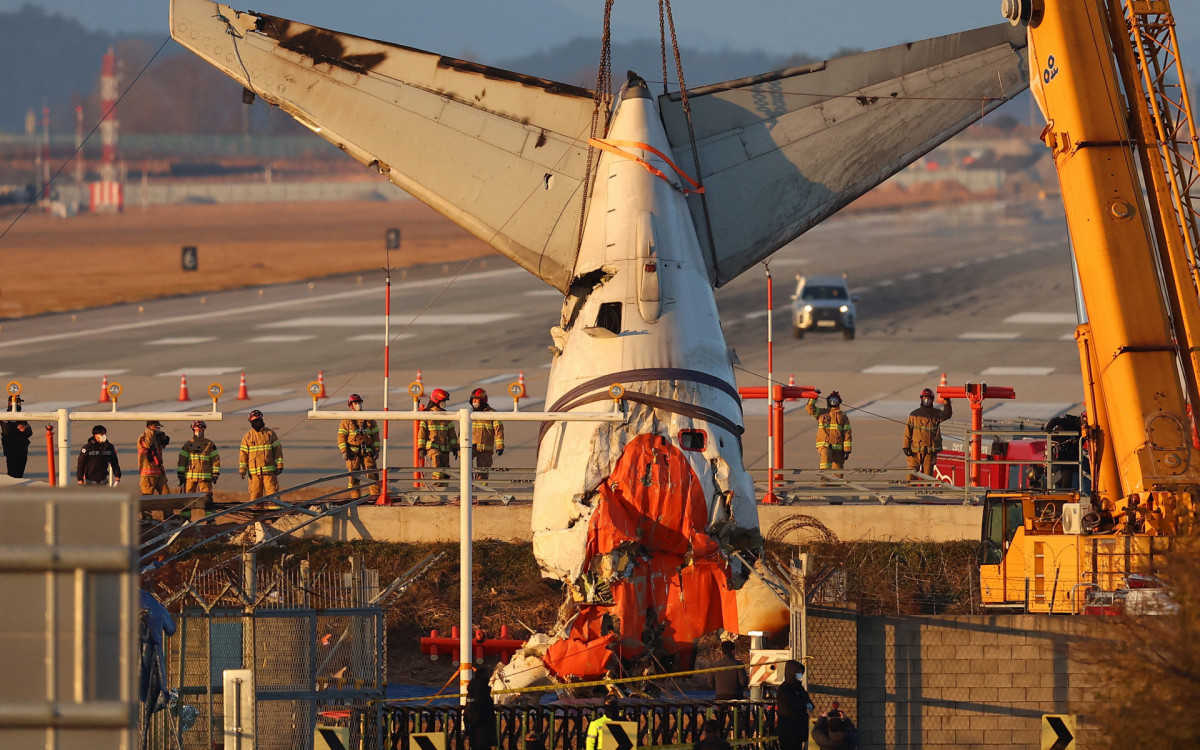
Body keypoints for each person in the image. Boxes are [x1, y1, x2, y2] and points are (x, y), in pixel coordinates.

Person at [902, 387, 953, 480]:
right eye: (924, 398)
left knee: (928, 478)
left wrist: (947, 401)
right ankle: (909, 493)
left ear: (932, 400)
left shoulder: (936, 414)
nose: (926, 400)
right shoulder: (914, 414)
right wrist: (906, 446)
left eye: (928, 398)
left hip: (930, 453)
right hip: (915, 452)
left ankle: (926, 493)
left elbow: (947, 414)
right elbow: (907, 432)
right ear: (921, 399)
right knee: (911, 476)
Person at [338, 393, 380, 499]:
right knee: (354, 479)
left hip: (367, 452)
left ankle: (375, 498)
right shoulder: (346, 420)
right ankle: (355, 499)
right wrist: (344, 451)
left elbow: (375, 435)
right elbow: (341, 436)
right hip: (353, 453)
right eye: (356, 403)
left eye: (359, 403)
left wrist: (377, 449)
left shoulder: (369, 418)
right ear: (351, 405)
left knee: (372, 476)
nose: (358, 405)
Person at [418, 389, 458, 489]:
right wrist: (421, 448)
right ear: (436, 401)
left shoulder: (446, 416)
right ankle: (436, 488)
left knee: (445, 471)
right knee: (437, 462)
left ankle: (443, 490)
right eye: (442, 401)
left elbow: (452, 433)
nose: (444, 404)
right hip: (433, 446)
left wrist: (454, 447)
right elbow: (422, 433)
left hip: (445, 448)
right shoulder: (428, 415)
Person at [239, 410, 284, 500]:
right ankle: (257, 514)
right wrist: (242, 469)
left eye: (259, 420)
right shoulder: (247, 437)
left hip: (269, 473)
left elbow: (278, 450)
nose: (258, 422)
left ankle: (274, 513)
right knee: (255, 497)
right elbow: (243, 454)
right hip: (254, 474)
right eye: (255, 421)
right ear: (251, 422)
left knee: (273, 496)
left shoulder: (270, 434)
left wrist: (279, 465)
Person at [177, 420, 220, 513]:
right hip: (190, 477)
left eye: (201, 430)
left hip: (205, 477)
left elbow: (215, 460)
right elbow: (182, 460)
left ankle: (210, 520)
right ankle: (185, 519)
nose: (199, 432)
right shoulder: (188, 444)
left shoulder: (209, 444)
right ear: (193, 430)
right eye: (197, 430)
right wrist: (181, 474)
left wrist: (215, 473)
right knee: (187, 499)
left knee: (208, 499)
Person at [806, 390, 852, 473]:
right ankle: (825, 477)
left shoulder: (843, 416)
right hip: (824, 444)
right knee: (826, 456)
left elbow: (847, 434)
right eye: (831, 399)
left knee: (838, 471)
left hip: (838, 447)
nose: (833, 401)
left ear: (839, 402)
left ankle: (835, 484)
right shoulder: (821, 413)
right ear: (828, 400)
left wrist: (847, 450)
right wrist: (813, 396)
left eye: (835, 399)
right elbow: (810, 409)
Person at [469, 388, 504, 482]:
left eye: (477, 400)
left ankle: (481, 492)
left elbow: (498, 431)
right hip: (470, 446)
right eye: (473, 400)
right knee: (466, 467)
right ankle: (467, 488)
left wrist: (500, 446)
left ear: (483, 401)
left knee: (483, 471)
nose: (474, 402)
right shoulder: (469, 413)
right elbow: (462, 431)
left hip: (485, 448)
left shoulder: (492, 414)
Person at [776, 660, 812, 750]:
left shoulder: (800, 689)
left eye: (800, 673)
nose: (800, 675)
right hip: (788, 731)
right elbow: (788, 705)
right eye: (798, 673)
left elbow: (806, 700)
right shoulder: (784, 689)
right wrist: (804, 705)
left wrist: (809, 705)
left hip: (799, 730)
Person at [465, 668, 497, 750]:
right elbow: (486, 711)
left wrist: (468, 724)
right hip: (483, 728)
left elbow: (468, 708)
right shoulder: (483, 693)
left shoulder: (471, 692)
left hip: (473, 727)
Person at [137, 420, 171, 495]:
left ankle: (167, 507)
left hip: (159, 472)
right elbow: (147, 445)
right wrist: (151, 432)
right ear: (150, 427)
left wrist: (164, 438)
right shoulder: (143, 437)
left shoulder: (156, 438)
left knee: (166, 495)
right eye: (156, 427)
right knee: (147, 497)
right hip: (148, 474)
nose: (158, 429)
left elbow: (164, 444)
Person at [1, 394, 31, 478]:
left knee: (20, 473)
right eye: (17, 403)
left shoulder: (22, 417)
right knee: (12, 473)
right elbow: (7, 431)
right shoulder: (4, 417)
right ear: (10, 403)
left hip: (22, 449)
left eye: (19, 403)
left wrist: (24, 429)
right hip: (11, 449)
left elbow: (29, 432)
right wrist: (18, 429)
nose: (19, 405)